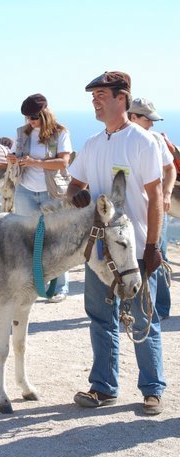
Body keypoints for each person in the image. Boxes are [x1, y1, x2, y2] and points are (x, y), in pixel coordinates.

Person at [67, 71, 165, 415]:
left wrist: (152, 246)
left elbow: (155, 197)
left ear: (121, 98)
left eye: (101, 95)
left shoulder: (142, 141)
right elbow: (73, 185)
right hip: (96, 254)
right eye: (93, 96)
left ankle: (152, 390)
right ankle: (103, 388)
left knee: (142, 319)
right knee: (99, 317)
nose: (95, 100)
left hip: (132, 250)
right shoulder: (92, 144)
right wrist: (76, 195)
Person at [7, 93, 72, 303]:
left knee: (56, 238)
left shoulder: (60, 133)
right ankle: (33, 284)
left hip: (51, 192)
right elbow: (17, 155)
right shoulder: (23, 133)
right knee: (27, 238)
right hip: (25, 190)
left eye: (33, 117)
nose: (30, 121)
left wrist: (35, 162)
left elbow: (63, 162)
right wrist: (13, 158)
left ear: (44, 114)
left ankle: (60, 286)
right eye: (27, 117)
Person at [128, 98, 176, 320]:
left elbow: (170, 169)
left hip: (154, 210)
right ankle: (130, 306)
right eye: (148, 120)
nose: (152, 125)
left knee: (159, 256)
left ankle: (160, 309)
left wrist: (166, 193)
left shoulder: (156, 140)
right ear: (132, 117)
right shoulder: (121, 140)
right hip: (128, 211)